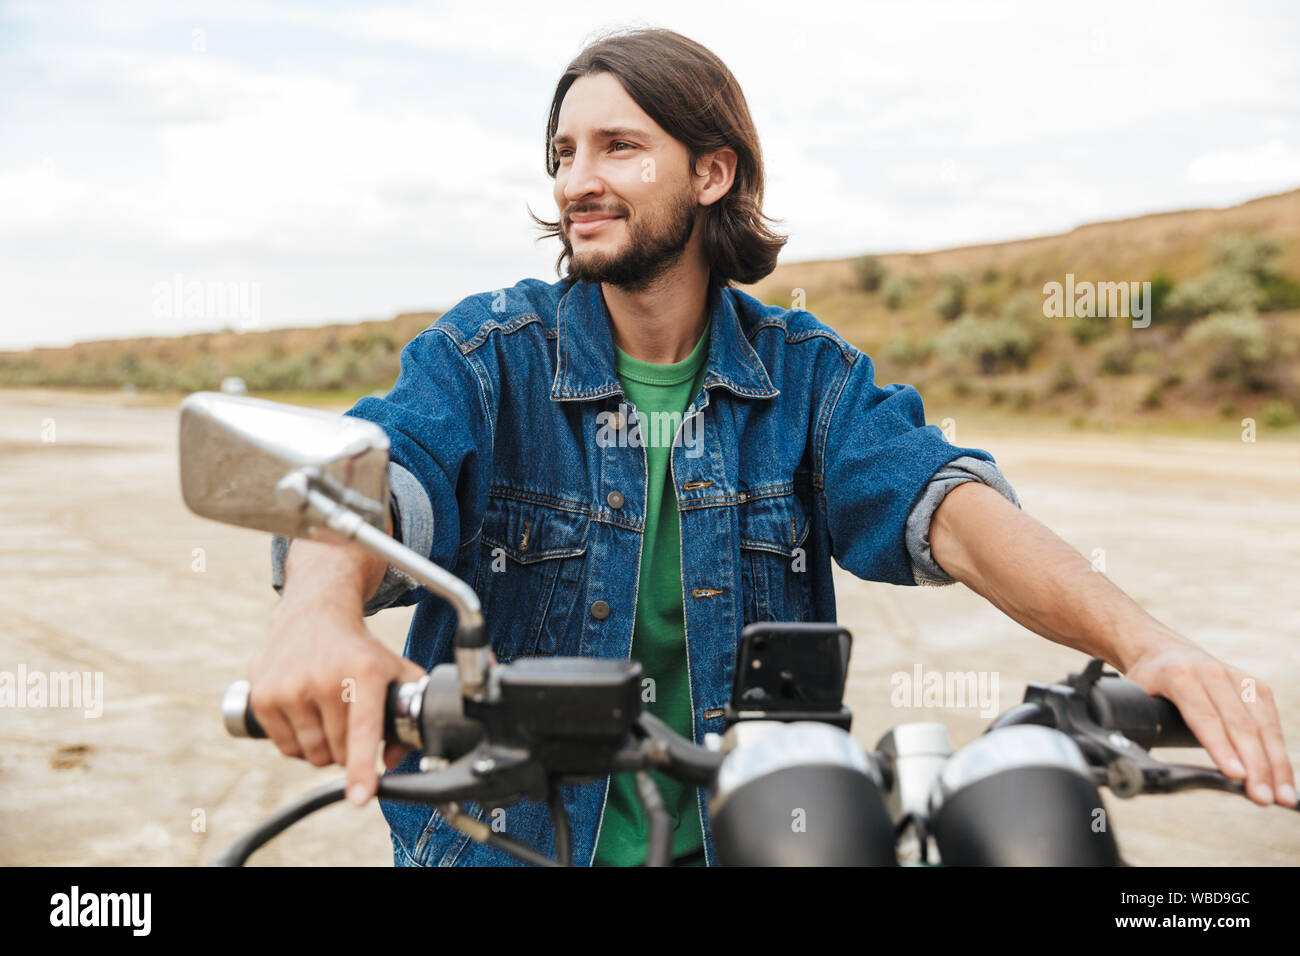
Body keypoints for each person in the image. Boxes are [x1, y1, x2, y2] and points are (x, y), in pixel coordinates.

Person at [254, 27, 1295, 867]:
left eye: (619, 146)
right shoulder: (489, 354)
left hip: (756, 835)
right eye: (563, 153)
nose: (577, 179)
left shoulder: (803, 373)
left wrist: (1145, 643)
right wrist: (318, 611)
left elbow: (948, 507)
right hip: (505, 846)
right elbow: (371, 470)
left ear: (712, 171)